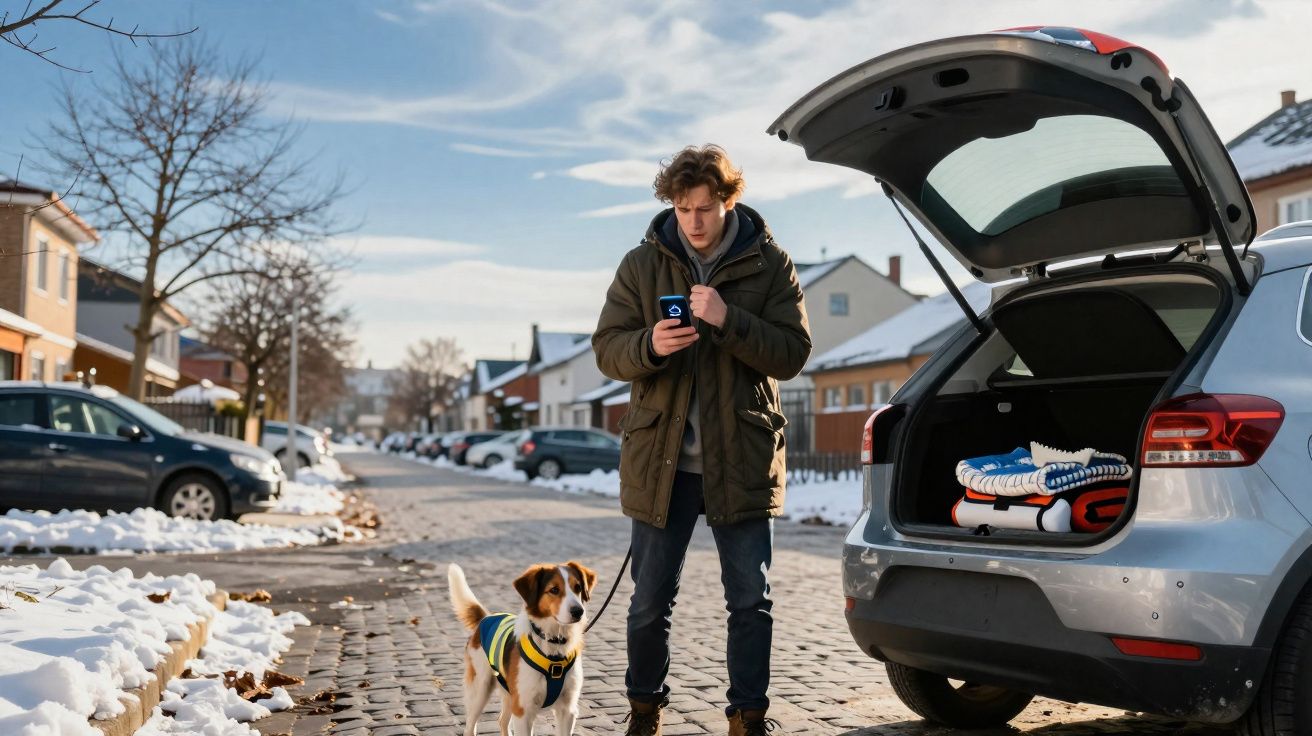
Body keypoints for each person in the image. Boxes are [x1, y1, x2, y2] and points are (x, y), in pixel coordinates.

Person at [593, 144, 812, 736]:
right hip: (662, 465)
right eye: (685, 208)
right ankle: (644, 709)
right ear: (672, 204)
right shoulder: (641, 266)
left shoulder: (771, 264)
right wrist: (649, 347)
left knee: (750, 601)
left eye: (706, 208)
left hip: (739, 458)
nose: (695, 221)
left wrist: (727, 319)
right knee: (648, 603)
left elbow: (793, 354)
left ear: (727, 201)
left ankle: (747, 716)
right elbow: (606, 347)